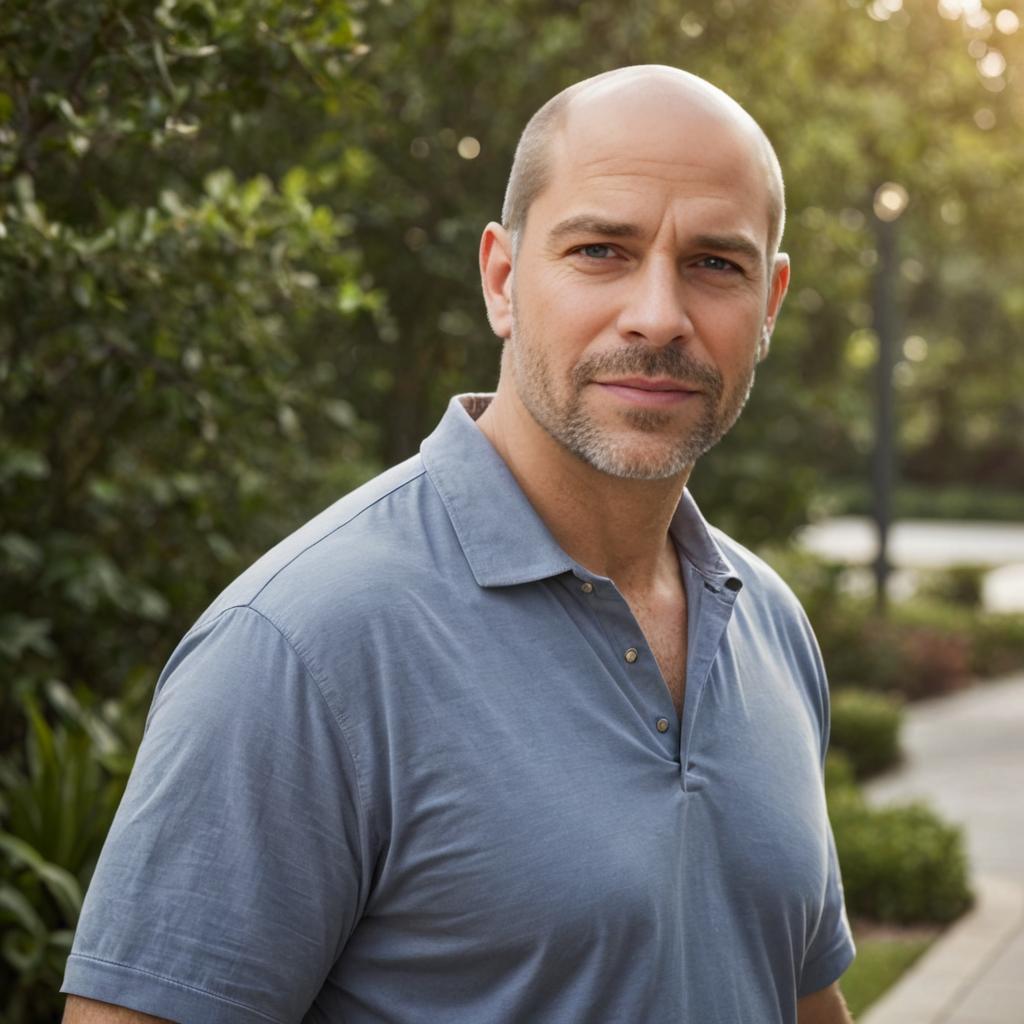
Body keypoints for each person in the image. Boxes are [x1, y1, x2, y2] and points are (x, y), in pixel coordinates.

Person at [62, 65, 855, 1023]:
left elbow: (797, 996)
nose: (658, 314)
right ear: (503, 279)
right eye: (601, 249)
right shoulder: (302, 646)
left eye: (714, 264)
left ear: (768, 305)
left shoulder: (765, 621)